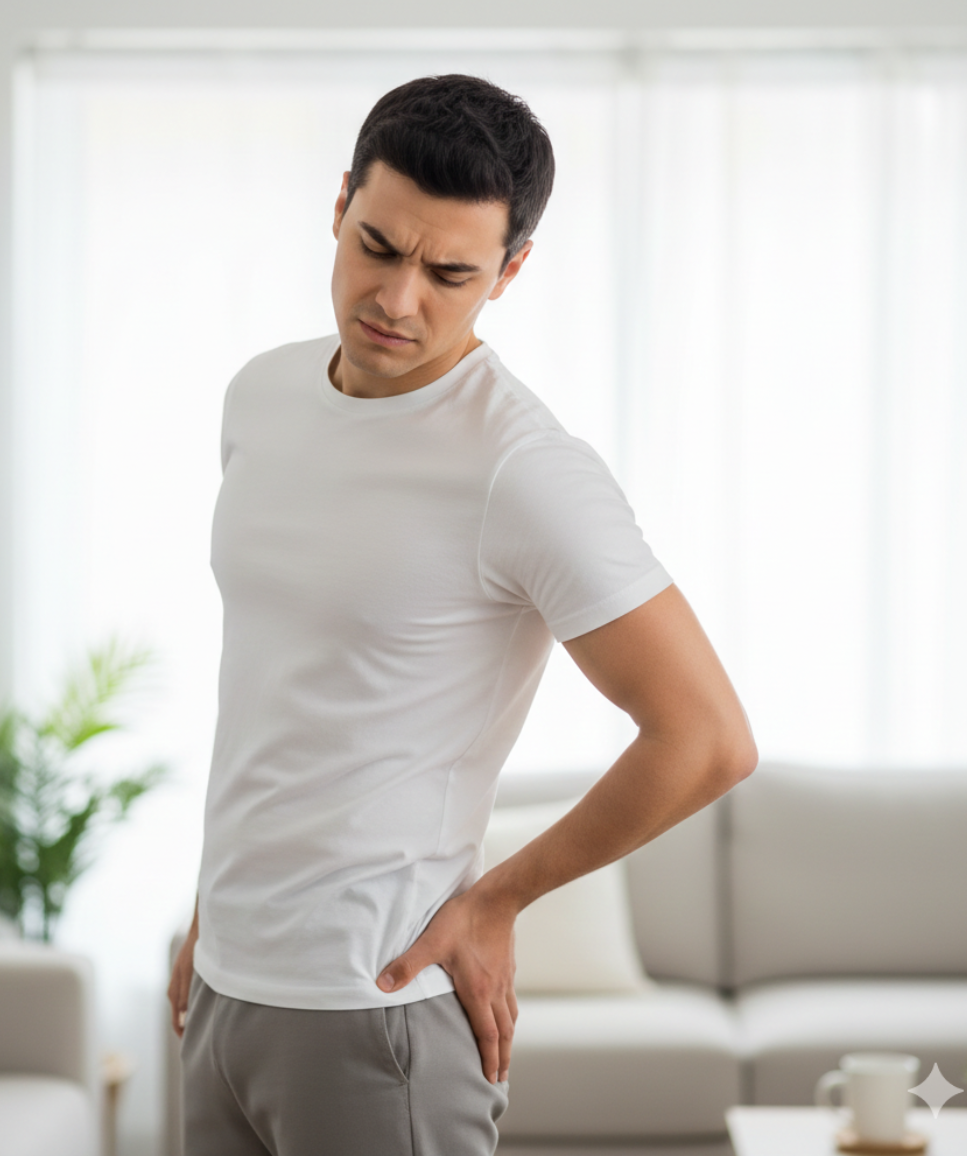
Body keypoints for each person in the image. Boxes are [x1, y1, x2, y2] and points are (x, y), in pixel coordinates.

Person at [167, 74, 757, 1156]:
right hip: (223, 988)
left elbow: (708, 738)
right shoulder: (261, 396)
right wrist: (218, 908)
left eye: (449, 274)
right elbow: (280, 686)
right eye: (379, 247)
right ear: (340, 204)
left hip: (377, 1009)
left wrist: (498, 902)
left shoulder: (522, 468)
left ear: (509, 271)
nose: (399, 300)